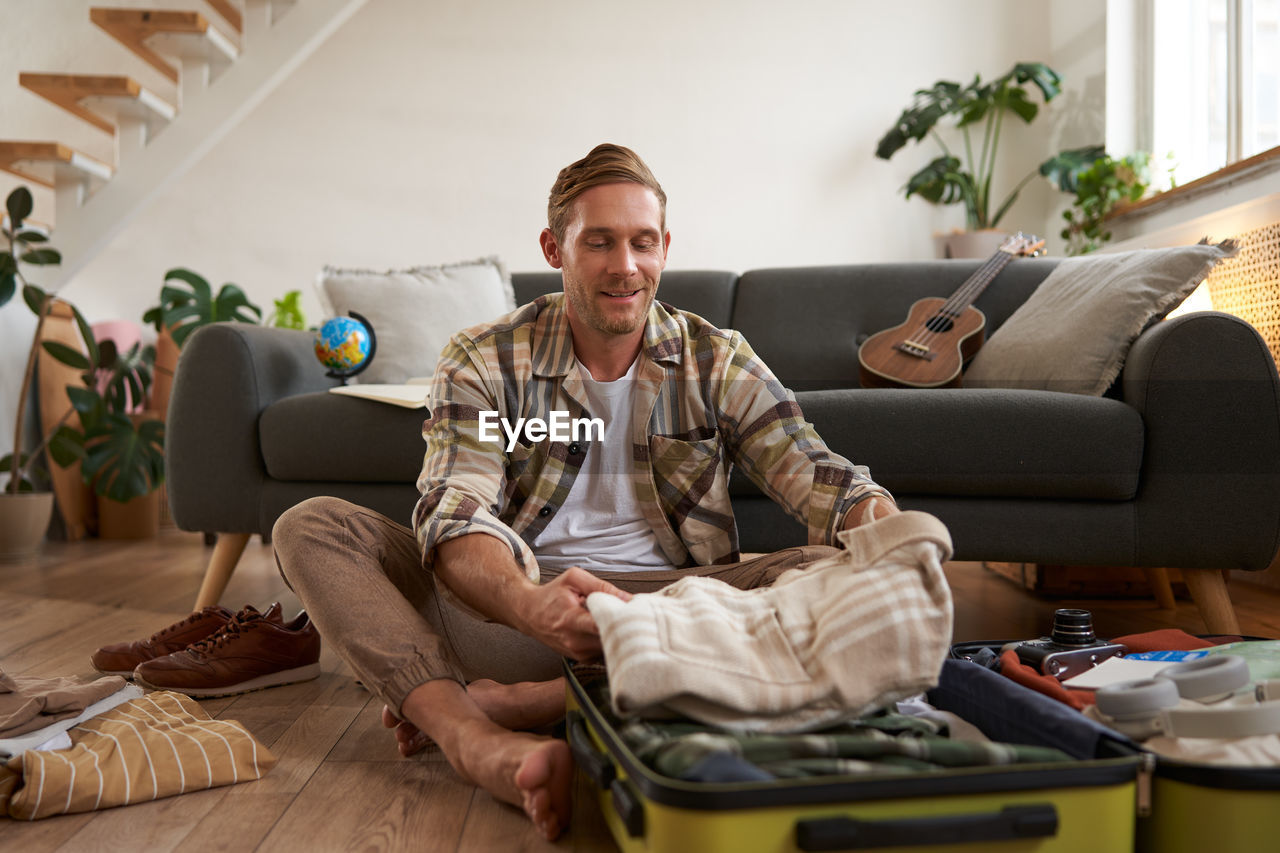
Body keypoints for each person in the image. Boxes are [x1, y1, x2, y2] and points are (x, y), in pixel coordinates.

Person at [272, 143, 897, 840]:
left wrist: (888, 534)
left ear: (665, 247)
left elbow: (818, 474)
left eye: (642, 242)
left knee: (844, 572)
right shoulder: (483, 357)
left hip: (677, 613)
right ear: (553, 247)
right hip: (511, 614)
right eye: (599, 241)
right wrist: (529, 603)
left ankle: (536, 704)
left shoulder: (715, 356)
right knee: (314, 525)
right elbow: (457, 506)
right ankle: (473, 740)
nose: (624, 266)